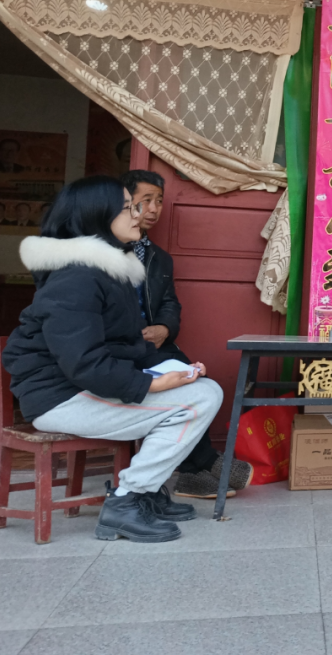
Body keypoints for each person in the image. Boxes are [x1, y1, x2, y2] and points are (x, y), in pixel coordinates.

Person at [2, 176, 224, 543]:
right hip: (61, 397)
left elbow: (124, 346)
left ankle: (144, 492)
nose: (138, 214)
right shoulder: (76, 277)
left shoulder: (107, 271)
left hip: (83, 388)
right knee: (199, 400)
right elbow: (83, 361)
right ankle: (127, 500)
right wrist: (151, 384)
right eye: (127, 208)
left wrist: (175, 370)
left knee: (202, 389)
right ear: (96, 216)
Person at [119, 169, 253, 500]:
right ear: (123, 202)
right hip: (119, 349)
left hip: (153, 346)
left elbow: (169, 303)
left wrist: (165, 328)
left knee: (192, 378)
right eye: (145, 200)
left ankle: (193, 472)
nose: (154, 209)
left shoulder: (158, 257)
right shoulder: (104, 252)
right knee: (184, 388)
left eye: (159, 201)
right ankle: (202, 464)